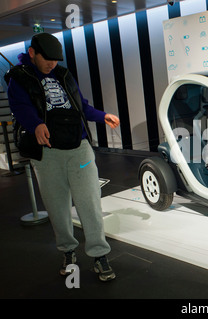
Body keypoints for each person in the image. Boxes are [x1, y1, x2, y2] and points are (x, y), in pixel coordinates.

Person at [5, 32, 120, 282]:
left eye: (56, 60)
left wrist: (102, 116)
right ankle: (68, 252)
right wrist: (35, 124)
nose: (52, 64)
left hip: (78, 147)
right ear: (33, 53)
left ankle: (99, 255)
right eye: (48, 59)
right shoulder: (19, 78)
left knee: (90, 202)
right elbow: (20, 108)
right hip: (48, 153)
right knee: (57, 207)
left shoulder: (64, 75)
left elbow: (82, 106)